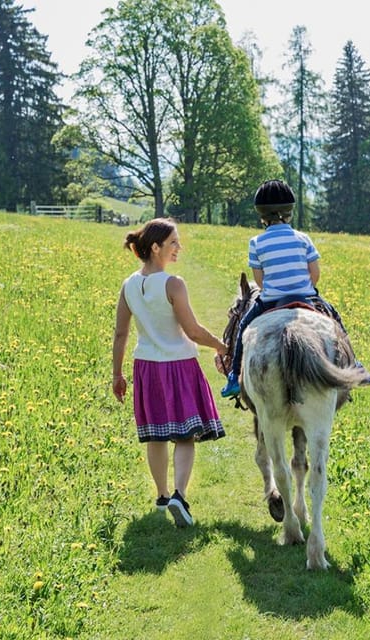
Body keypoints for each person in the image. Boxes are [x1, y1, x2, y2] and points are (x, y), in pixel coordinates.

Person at [112, 217, 227, 527]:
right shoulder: (173, 284)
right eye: (173, 242)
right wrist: (222, 347)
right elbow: (193, 331)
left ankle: (162, 497)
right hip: (179, 366)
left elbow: (121, 334)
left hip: (146, 367)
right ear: (155, 247)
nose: (179, 248)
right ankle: (179, 495)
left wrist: (117, 375)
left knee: (156, 436)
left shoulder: (129, 285)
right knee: (186, 435)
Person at [221, 179, 370, 398]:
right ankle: (355, 365)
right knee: (335, 321)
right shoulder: (303, 238)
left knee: (245, 328)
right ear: (289, 212)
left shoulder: (256, 242)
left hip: (270, 300)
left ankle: (234, 375)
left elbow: (260, 279)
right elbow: (315, 273)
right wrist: (305, 288)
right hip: (306, 296)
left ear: (262, 215)